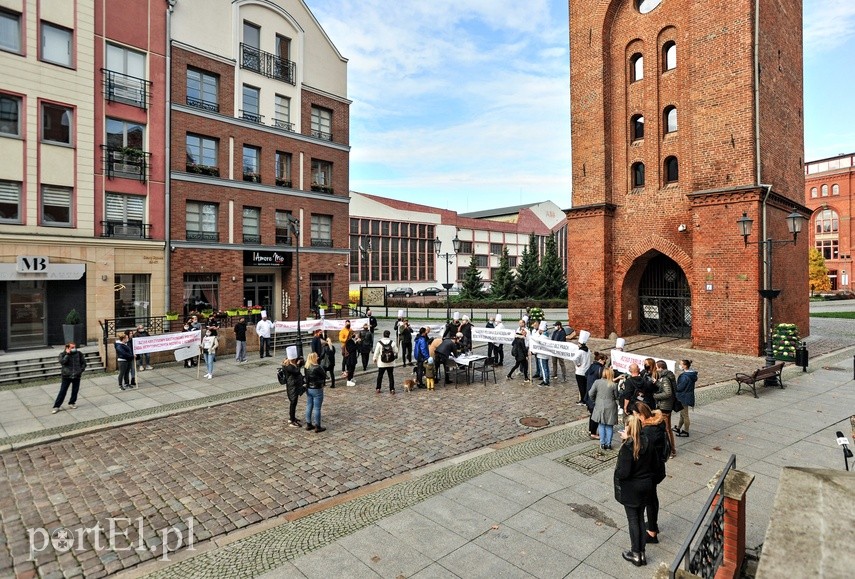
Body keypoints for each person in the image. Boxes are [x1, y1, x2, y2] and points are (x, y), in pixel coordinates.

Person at [614, 414, 663, 567]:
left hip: (631, 489)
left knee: (633, 520)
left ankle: (636, 554)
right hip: (646, 486)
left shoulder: (628, 448)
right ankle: (641, 553)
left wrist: (625, 441)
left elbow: (623, 473)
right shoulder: (648, 443)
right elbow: (656, 465)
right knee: (641, 519)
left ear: (628, 428)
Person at [630, 402, 670, 545]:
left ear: (641, 415)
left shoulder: (648, 432)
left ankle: (652, 532)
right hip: (657, 467)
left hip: (651, 470)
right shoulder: (657, 423)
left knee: (650, 500)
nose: (635, 419)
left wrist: (629, 439)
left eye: (635, 416)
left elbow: (644, 451)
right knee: (652, 498)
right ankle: (653, 525)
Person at [52, 342, 87, 413]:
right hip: (66, 376)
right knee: (63, 391)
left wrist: (80, 370)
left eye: (74, 347)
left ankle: (72, 402)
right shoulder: (63, 354)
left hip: (76, 375)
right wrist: (67, 354)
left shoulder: (79, 354)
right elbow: (62, 362)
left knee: (75, 390)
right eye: (72, 347)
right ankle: (56, 406)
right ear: (67, 348)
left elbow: (84, 363)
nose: (74, 349)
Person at [590, 367, 619, 449]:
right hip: (611, 405)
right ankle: (608, 444)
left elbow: (591, 393)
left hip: (600, 405)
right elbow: (616, 396)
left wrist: (595, 400)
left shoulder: (597, 382)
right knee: (609, 426)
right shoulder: (613, 384)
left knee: (601, 425)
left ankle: (602, 443)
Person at [653, 360, 677, 458]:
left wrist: (655, 396)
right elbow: (665, 388)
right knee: (667, 429)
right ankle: (671, 449)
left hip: (665, 406)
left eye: (656, 367)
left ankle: (671, 450)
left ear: (660, 367)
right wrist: (657, 383)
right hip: (667, 406)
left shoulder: (665, 378)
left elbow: (668, 393)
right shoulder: (668, 376)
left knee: (666, 429)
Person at [281, 346, 304, 427]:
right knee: (293, 402)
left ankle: (292, 417)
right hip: (292, 386)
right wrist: (298, 365)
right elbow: (297, 372)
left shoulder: (290, 364)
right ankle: (292, 420)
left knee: (294, 402)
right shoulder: (289, 366)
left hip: (293, 385)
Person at [585, 352, 607, 438]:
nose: (605, 363)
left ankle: (591, 430)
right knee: (596, 415)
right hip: (596, 395)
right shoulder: (600, 369)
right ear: (600, 360)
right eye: (604, 361)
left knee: (592, 414)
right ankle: (593, 433)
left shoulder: (592, 366)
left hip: (589, 394)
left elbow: (586, 374)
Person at [304, 352, 327, 433]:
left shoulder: (307, 366)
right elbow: (325, 376)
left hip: (309, 388)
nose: (318, 358)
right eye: (317, 357)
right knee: (317, 408)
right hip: (317, 388)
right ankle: (317, 426)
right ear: (314, 358)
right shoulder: (317, 367)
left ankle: (308, 423)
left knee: (309, 405)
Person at [674, 359, 697, 437]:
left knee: (685, 415)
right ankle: (678, 427)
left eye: (681, 364)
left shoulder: (685, 377)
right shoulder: (691, 374)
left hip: (683, 397)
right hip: (686, 395)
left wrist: (674, 387)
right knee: (682, 414)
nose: (680, 365)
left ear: (685, 366)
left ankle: (686, 431)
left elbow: (680, 388)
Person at [373, 329, 398, 393]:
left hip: (382, 362)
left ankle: (378, 388)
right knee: (390, 376)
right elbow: (396, 351)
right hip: (390, 362)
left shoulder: (379, 343)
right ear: (389, 335)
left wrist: (374, 359)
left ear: (383, 335)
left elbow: (376, 352)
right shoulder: (392, 342)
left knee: (380, 376)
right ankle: (392, 389)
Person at [574, 333, 592, 403]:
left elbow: (575, 358)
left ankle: (582, 400)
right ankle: (585, 399)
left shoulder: (580, 351)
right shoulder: (588, 350)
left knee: (581, 387)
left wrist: (577, 364)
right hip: (586, 370)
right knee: (585, 386)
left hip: (580, 371)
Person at [535, 321, 551, 386]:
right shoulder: (548, 336)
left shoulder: (541, 337)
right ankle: (547, 378)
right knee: (546, 367)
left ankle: (545, 381)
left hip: (541, 355)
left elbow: (537, 344)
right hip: (546, 354)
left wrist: (534, 352)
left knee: (543, 368)